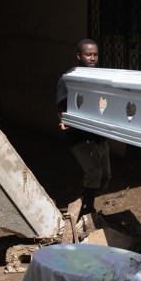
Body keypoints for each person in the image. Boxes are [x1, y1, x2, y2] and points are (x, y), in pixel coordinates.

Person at [56, 39, 111, 216]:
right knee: (94, 172)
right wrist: (64, 120)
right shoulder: (69, 79)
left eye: (95, 54)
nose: (92, 58)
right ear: (79, 56)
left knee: (105, 176)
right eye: (88, 54)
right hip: (78, 136)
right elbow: (62, 105)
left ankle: (82, 196)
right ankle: (88, 209)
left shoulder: (100, 77)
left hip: (98, 135)